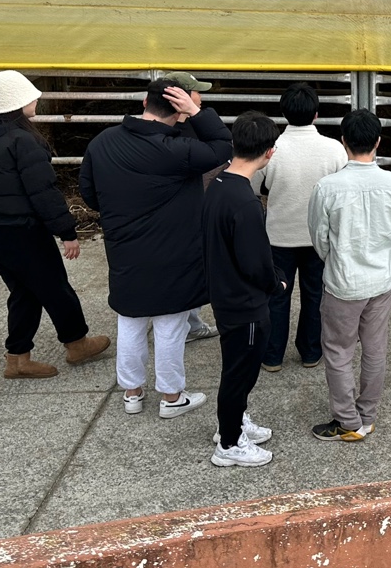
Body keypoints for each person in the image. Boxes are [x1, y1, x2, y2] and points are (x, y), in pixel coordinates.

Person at [80, 77, 232, 419]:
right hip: (174, 250)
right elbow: (223, 146)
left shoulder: (102, 142)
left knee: (130, 320)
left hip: (124, 248)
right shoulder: (177, 149)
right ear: (179, 111)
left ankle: (132, 393)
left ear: (144, 103)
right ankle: (171, 396)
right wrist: (197, 113)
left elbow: (89, 193)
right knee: (170, 324)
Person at [0, 70, 111, 378]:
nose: (36, 100)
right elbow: (44, 193)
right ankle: (77, 343)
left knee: (24, 293)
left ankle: (17, 358)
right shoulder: (24, 141)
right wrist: (66, 232)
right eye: (31, 96)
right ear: (19, 101)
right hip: (25, 232)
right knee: (55, 288)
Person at [308, 109, 391, 442]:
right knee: (375, 349)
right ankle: (367, 415)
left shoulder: (327, 187)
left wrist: (335, 260)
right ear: (378, 141)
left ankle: (348, 420)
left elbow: (319, 237)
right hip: (382, 280)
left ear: (343, 142)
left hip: (343, 281)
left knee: (339, 350)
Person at [203, 112, 286, 467]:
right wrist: (277, 283)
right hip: (245, 304)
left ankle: (233, 422)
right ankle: (229, 442)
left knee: (235, 369)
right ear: (269, 152)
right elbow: (256, 264)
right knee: (240, 374)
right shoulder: (246, 202)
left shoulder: (219, 184)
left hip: (224, 294)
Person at [257, 82, 346, 372]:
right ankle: (310, 352)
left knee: (276, 295)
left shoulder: (271, 148)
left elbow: (256, 186)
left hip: (278, 234)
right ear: (316, 114)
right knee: (315, 295)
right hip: (318, 237)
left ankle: (272, 356)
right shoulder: (334, 149)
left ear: (283, 112)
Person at [162, 71, 226, 344]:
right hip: (190, 212)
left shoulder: (168, 129)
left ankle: (189, 322)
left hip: (179, 211)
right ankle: (188, 325)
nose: (201, 97)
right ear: (183, 96)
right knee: (190, 268)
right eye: (197, 91)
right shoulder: (185, 131)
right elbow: (222, 148)